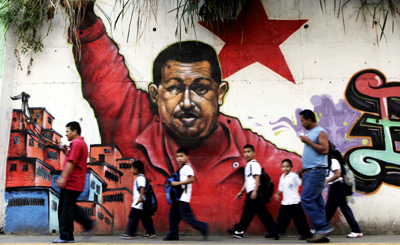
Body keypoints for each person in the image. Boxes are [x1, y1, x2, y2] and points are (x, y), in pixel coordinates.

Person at [65, 1, 302, 231]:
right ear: (156, 95)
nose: (187, 102)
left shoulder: (251, 150)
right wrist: (83, 16)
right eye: (174, 88)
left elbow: (301, 173)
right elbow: (102, 72)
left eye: (200, 88)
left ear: (220, 93)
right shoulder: (130, 119)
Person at [52, 122, 95, 243]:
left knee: (65, 209)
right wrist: (66, 151)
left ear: (74, 131)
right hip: (75, 182)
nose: (66, 134)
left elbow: (72, 163)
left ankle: (65, 236)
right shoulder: (80, 143)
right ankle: (86, 225)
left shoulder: (76, 143)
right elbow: (74, 159)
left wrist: (63, 178)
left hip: (71, 182)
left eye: (67, 131)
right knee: (69, 208)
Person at [298, 109, 333, 243]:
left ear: (309, 120)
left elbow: (325, 150)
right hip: (311, 171)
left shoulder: (320, 132)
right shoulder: (311, 133)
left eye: (302, 120)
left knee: (306, 199)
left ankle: (323, 227)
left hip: (316, 172)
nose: (301, 123)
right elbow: (314, 156)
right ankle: (322, 234)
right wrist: (303, 169)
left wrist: (309, 142)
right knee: (317, 202)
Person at [227, 144, 276, 238]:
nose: (247, 154)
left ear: (254, 153)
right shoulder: (248, 166)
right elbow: (247, 180)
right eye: (245, 152)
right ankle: (274, 230)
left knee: (248, 212)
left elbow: (257, 177)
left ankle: (239, 230)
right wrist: (241, 192)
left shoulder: (254, 164)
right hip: (252, 192)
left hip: (254, 192)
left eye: (249, 152)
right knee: (262, 213)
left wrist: (255, 191)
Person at [163, 148, 209, 241]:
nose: (179, 158)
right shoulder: (182, 168)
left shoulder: (187, 168)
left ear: (187, 157)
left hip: (183, 199)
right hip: (178, 199)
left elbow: (191, 179)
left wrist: (177, 183)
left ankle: (203, 227)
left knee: (187, 218)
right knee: (173, 216)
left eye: (181, 156)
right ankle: (173, 234)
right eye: (177, 156)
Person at [265, 159, 312, 240]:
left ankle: (306, 234)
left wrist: (300, 176)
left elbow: (301, 183)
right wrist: (277, 194)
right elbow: (281, 189)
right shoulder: (282, 177)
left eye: (287, 166)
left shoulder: (294, 176)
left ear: (291, 167)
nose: (285, 168)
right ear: (281, 168)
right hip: (285, 203)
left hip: (294, 202)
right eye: (283, 167)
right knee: (281, 219)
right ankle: (276, 233)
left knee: (299, 220)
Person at [325, 151, 363, 238]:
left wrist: (327, 181)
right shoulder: (331, 161)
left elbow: (338, 174)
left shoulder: (333, 160)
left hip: (337, 186)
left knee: (344, 208)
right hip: (334, 187)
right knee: (329, 210)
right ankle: (322, 229)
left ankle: (356, 230)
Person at [121, 160, 156, 239]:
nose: (131, 170)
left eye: (132, 168)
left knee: (133, 216)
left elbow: (142, 187)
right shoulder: (141, 177)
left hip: (139, 202)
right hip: (142, 202)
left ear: (136, 169)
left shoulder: (140, 178)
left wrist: (140, 197)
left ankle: (131, 233)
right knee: (145, 218)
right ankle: (151, 232)